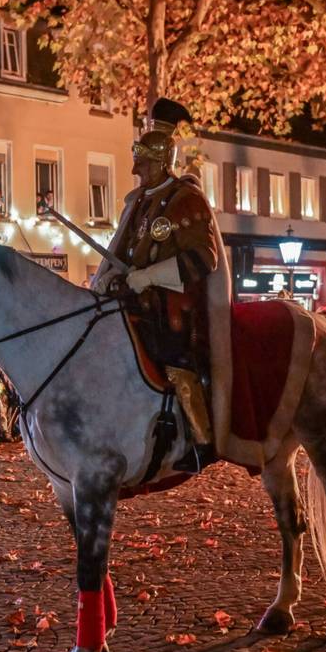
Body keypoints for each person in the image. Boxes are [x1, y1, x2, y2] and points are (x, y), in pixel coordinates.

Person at [92, 98, 221, 465]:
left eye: (145, 163)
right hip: (135, 299)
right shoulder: (140, 203)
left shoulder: (185, 200)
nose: (137, 169)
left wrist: (148, 276)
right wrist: (109, 278)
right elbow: (128, 254)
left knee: (173, 355)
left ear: (162, 161)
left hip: (174, 305)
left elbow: (203, 258)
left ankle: (200, 439)